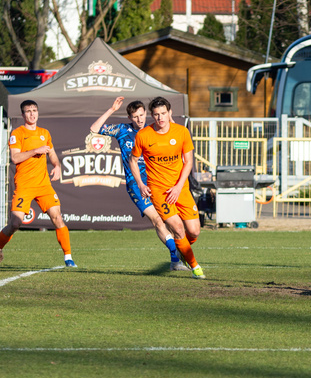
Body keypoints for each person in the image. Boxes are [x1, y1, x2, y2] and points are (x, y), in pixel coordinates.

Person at [90, 96, 188, 271]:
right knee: (157, 220)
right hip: (136, 184)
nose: (140, 119)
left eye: (142, 115)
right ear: (130, 118)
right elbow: (94, 128)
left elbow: (175, 133)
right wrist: (112, 109)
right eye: (135, 117)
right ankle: (176, 259)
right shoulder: (122, 130)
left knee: (171, 221)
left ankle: (176, 258)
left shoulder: (153, 131)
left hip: (156, 181)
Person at [129, 96, 205, 279]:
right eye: (156, 114)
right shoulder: (144, 135)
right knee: (178, 228)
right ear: (152, 116)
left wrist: (179, 186)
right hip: (159, 191)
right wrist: (140, 183)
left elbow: (188, 162)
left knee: (194, 231)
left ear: (169, 113)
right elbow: (132, 160)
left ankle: (182, 252)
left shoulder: (181, 132)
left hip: (180, 189)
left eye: (163, 113)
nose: (160, 118)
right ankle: (195, 267)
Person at [0, 100, 76, 267]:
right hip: (24, 185)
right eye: (28, 111)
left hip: (43, 185)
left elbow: (52, 153)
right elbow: (15, 158)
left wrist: (57, 165)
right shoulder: (17, 133)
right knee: (15, 223)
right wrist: (35, 150)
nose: (32, 114)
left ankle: (68, 258)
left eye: (34, 110)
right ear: (23, 114)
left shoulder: (44, 133)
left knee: (57, 217)